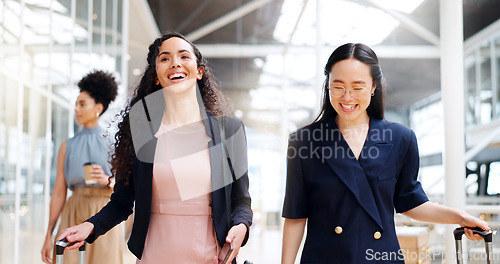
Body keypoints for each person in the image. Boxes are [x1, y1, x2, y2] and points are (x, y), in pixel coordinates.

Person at [281, 43, 490, 264]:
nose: (347, 97)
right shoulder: (303, 141)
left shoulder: (400, 138)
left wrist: (460, 217)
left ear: (373, 86)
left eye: (358, 87)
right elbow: (295, 215)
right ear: (328, 87)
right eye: (338, 86)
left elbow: (410, 202)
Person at [56, 32, 252, 264]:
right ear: (157, 76)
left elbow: (241, 200)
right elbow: (122, 201)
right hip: (155, 253)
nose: (175, 63)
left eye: (184, 56)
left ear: (199, 72)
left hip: (209, 254)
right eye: (165, 58)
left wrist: (241, 227)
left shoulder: (228, 131)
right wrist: (90, 227)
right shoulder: (142, 131)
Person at [41, 70, 122, 264]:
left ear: (98, 107)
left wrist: (108, 181)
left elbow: (128, 187)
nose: (76, 109)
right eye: (76, 104)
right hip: (73, 211)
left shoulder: (114, 143)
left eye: (82, 104)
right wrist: (48, 235)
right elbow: (59, 193)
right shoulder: (66, 146)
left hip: (104, 212)